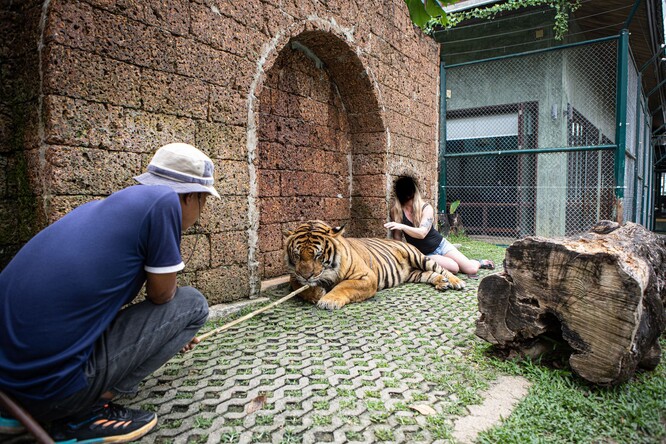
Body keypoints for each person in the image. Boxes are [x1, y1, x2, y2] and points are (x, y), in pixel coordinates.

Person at [0, 143, 220, 442]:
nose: (201, 212)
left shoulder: (107, 206)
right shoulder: (164, 203)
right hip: (50, 391)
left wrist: (164, 331)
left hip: (8, 384)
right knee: (193, 303)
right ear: (190, 195)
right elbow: (163, 296)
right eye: (204, 202)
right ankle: (83, 413)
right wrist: (172, 326)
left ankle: (14, 414)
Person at [384, 176, 494, 278]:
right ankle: (447, 262)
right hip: (424, 254)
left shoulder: (426, 208)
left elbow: (422, 233)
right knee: (454, 268)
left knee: (471, 270)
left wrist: (401, 226)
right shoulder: (396, 211)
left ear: (413, 190)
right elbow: (397, 239)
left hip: (440, 245)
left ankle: (477, 262)